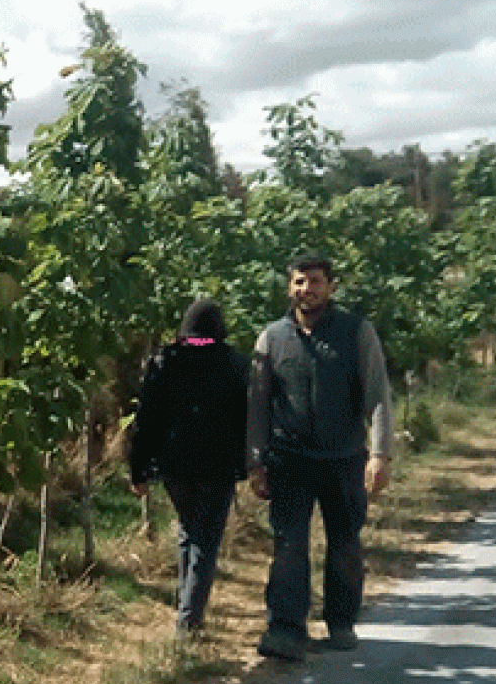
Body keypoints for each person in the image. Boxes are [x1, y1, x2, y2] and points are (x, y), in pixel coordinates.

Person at [247, 254, 394, 661]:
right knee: (289, 543)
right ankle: (286, 628)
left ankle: (341, 622)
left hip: (344, 458)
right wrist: (255, 461)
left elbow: (377, 395)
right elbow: (258, 404)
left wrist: (379, 454)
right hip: (289, 460)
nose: (306, 289)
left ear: (330, 286)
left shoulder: (356, 332)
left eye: (314, 281)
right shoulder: (272, 338)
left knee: (345, 542)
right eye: (299, 282)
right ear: (288, 287)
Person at [129, 299, 249, 643]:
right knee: (205, 539)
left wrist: (139, 470)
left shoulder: (165, 360)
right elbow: (246, 418)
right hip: (218, 466)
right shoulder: (232, 362)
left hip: (175, 466)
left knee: (189, 531)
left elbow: (145, 419)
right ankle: (190, 621)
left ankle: (187, 611)